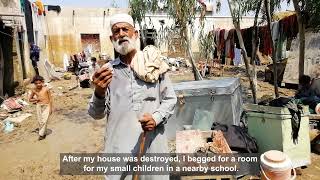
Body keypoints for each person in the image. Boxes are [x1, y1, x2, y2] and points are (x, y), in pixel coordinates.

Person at [88, 13, 177, 180]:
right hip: (120, 148)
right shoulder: (106, 72)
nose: (121, 34)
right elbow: (96, 114)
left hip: (152, 146)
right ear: (111, 38)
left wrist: (156, 118)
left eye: (125, 29)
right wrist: (99, 92)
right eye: (116, 31)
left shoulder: (153, 65)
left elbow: (170, 99)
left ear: (135, 34)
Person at [29, 76, 53, 140]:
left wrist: (51, 108)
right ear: (34, 84)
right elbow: (30, 99)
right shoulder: (34, 90)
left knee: (44, 121)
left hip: (46, 106)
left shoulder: (46, 89)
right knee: (40, 121)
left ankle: (41, 135)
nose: (38, 85)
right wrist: (36, 99)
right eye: (36, 83)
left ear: (42, 82)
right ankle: (44, 133)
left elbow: (50, 99)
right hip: (39, 106)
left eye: (39, 83)